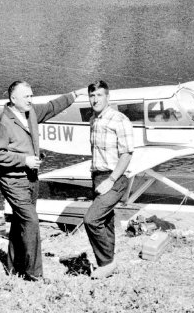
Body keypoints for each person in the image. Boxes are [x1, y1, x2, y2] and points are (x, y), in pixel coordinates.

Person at [0, 80, 86, 281]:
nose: (30, 99)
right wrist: (24, 160)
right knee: (31, 222)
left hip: (31, 179)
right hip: (13, 181)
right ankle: (34, 274)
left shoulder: (30, 112)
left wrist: (75, 94)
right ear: (13, 98)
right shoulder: (3, 123)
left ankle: (13, 267)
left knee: (19, 222)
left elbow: (52, 107)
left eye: (31, 95)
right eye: (26, 96)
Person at [83, 80, 134, 279]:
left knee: (91, 219)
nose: (95, 99)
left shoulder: (119, 120)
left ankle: (106, 263)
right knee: (105, 220)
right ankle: (109, 262)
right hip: (97, 176)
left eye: (99, 95)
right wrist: (97, 179)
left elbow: (127, 154)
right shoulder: (93, 120)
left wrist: (111, 180)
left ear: (108, 97)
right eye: (92, 96)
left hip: (115, 177)